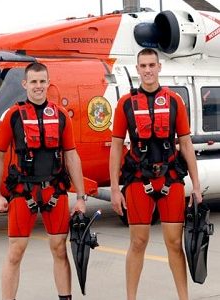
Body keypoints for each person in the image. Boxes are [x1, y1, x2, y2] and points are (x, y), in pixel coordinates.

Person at [109, 48, 202, 300]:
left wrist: (195, 184)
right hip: (138, 179)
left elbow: (185, 143)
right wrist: (115, 189)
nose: (148, 70)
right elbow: (117, 145)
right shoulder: (125, 104)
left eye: (152, 65)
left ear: (159, 67)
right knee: (138, 242)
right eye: (143, 66)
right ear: (137, 69)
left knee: (174, 244)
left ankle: (184, 298)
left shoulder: (174, 101)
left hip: (170, 178)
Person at [0, 62, 87, 300]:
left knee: (59, 249)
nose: (38, 86)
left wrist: (81, 197)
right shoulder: (13, 116)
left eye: (42, 81)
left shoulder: (61, 115)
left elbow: (71, 156)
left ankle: (65, 297)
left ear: (48, 83)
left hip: (55, 192)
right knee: (15, 252)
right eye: (33, 81)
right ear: (25, 84)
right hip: (23, 192)